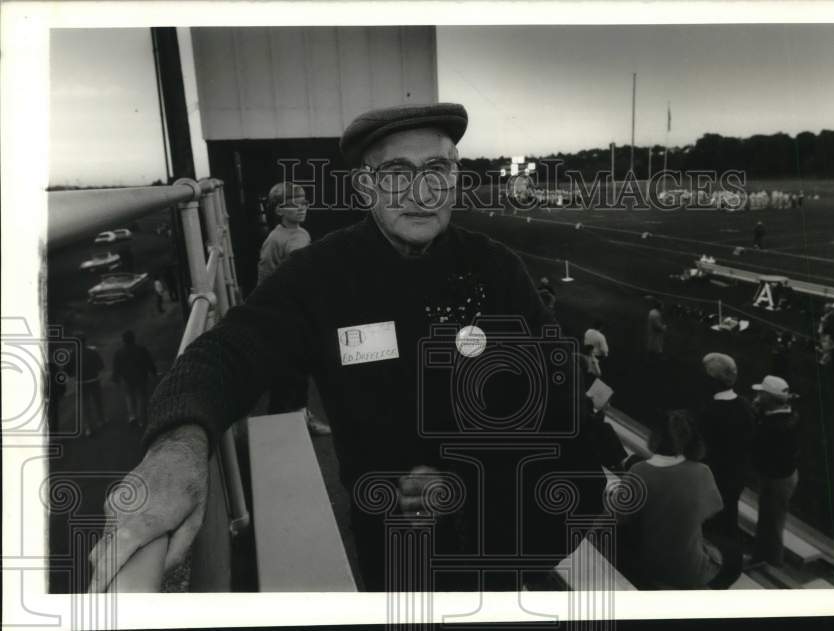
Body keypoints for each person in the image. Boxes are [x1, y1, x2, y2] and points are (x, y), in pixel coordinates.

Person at [88, 103, 606, 594]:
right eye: (397, 173)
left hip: (495, 521)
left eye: (438, 170)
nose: (421, 193)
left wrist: (465, 478)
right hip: (392, 535)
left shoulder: (496, 269)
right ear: (364, 186)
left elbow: (558, 400)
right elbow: (227, 351)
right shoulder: (323, 276)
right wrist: (179, 447)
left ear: (454, 179)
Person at [615, 411, 741, 590]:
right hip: (688, 568)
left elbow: (621, 517)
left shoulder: (638, 471)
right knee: (732, 553)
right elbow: (712, 510)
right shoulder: (702, 472)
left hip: (648, 563)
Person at [255, 182, 332, 437]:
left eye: (304, 202)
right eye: (293, 204)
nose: (301, 208)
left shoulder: (299, 233)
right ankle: (281, 429)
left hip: (296, 312)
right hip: (285, 315)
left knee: (298, 372)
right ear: (278, 210)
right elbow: (268, 279)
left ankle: (300, 417)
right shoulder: (277, 240)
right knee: (288, 375)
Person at [696, 353, 755, 545]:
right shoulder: (746, 405)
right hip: (737, 475)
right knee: (729, 514)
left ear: (713, 380)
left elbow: (701, 447)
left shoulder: (710, 410)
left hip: (714, 476)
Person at [748, 375, 801, 568]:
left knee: (772, 522)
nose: (757, 396)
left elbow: (756, 446)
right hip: (784, 475)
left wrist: (755, 415)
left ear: (769, 398)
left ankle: (771, 561)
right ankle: (762, 556)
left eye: (761, 393)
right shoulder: (788, 415)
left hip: (776, 479)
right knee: (769, 519)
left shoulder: (773, 426)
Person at [112, 330, 158, 426]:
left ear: (123, 340)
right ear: (134, 339)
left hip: (126, 378)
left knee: (129, 396)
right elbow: (148, 362)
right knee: (141, 397)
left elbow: (117, 367)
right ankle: (141, 420)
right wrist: (153, 372)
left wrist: (115, 378)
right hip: (141, 377)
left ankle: (132, 416)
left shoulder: (119, 352)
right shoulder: (141, 350)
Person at [71, 332, 108, 438]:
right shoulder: (92, 352)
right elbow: (101, 366)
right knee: (97, 401)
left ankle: (88, 427)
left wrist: (74, 374)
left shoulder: (72, 354)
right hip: (94, 380)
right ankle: (101, 420)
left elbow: (67, 369)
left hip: (81, 382)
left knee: (85, 404)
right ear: (85, 341)